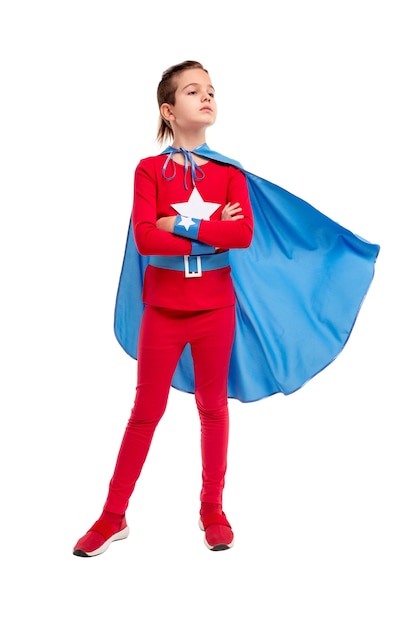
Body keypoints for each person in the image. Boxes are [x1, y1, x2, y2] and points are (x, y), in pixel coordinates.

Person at [73, 60, 254, 556]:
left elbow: (242, 234)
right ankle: (113, 515)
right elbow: (147, 240)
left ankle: (212, 508)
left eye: (212, 90)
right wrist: (207, 227)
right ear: (169, 110)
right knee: (145, 412)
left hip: (216, 306)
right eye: (194, 91)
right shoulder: (149, 170)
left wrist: (181, 226)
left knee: (212, 407)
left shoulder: (229, 172)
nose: (208, 97)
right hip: (164, 308)